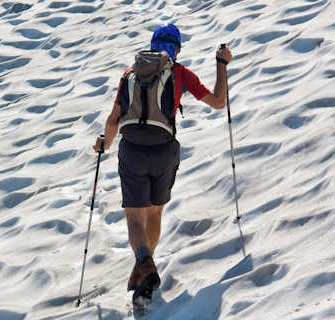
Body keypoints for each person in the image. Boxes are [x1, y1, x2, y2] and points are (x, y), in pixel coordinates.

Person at [92, 23, 233, 305]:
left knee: (135, 218)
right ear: (176, 50)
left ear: (152, 44)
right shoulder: (179, 73)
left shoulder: (130, 74)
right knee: (155, 214)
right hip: (164, 151)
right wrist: (221, 64)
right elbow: (218, 102)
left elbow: (113, 120)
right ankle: (145, 271)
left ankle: (144, 265)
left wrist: (104, 145)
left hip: (132, 150)